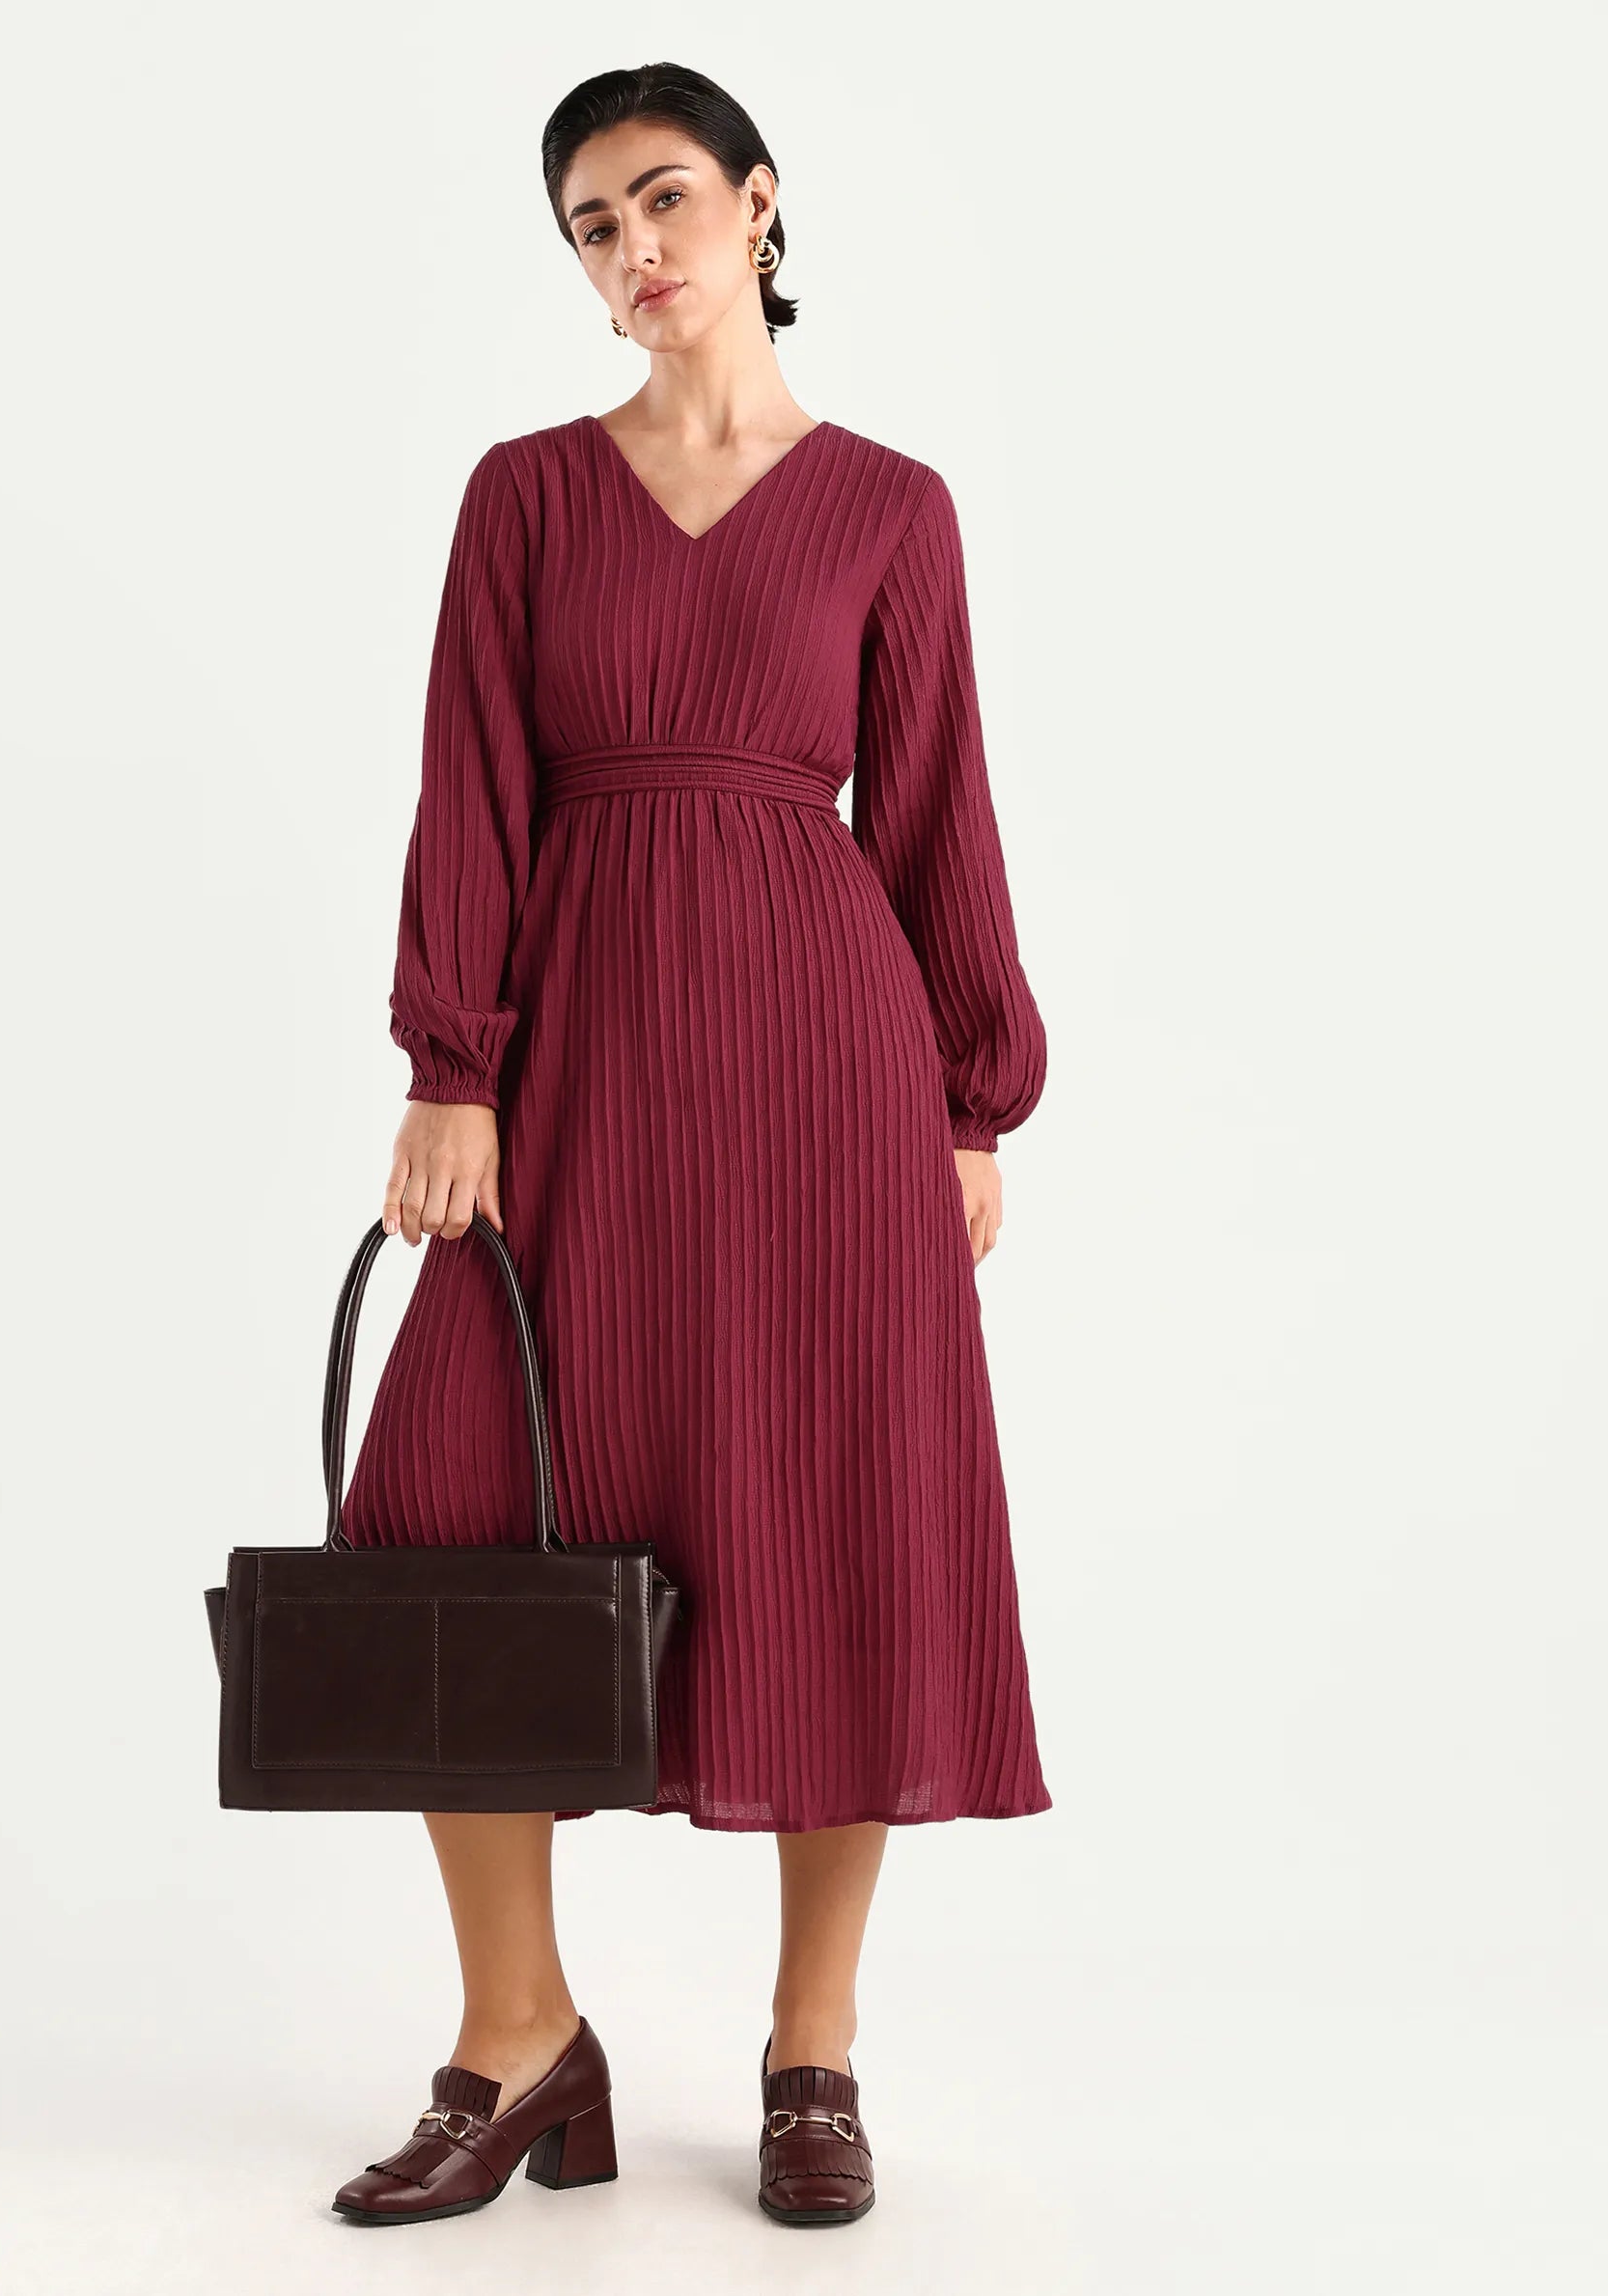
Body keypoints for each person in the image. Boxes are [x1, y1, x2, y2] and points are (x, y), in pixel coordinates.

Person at [332, 62, 1052, 2231]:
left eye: (660, 199)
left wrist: (970, 1099)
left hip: (829, 1076)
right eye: (589, 224)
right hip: (568, 1067)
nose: (631, 249)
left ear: (758, 204)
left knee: (836, 1520)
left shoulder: (893, 509)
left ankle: (812, 2044)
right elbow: (469, 777)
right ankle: (518, 2033)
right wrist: (450, 1064)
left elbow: (933, 811)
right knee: (444, 1520)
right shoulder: (528, 497)